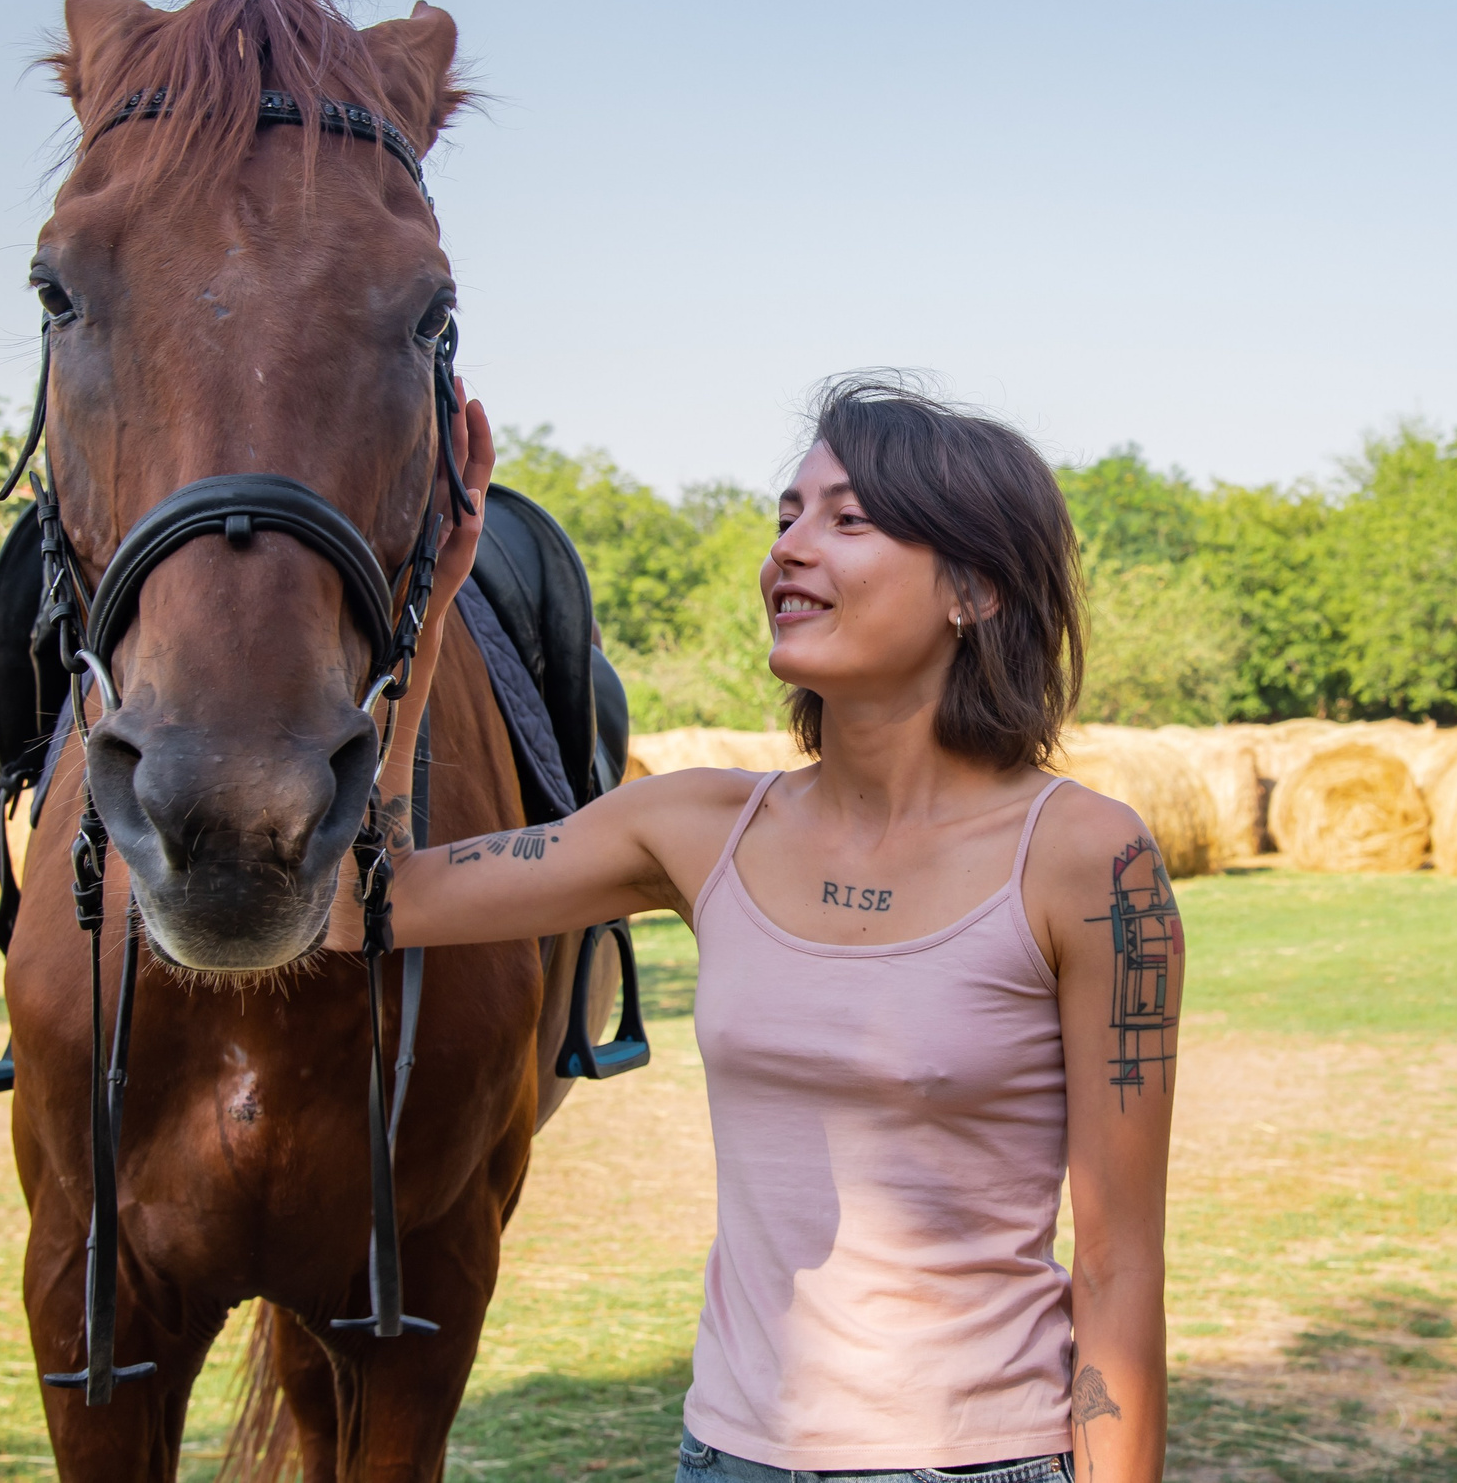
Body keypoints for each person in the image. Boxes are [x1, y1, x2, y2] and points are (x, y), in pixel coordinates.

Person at [336, 375, 1180, 1483]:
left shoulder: (1090, 861)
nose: (788, 548)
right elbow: (368, 903)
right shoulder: (694, 826)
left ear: (973, 586)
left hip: (983, 1457)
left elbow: (1118, 1262)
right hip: (730, 1453)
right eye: (786, 515)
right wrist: (431, 600)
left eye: (847, 519)